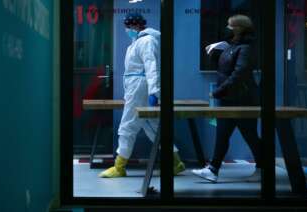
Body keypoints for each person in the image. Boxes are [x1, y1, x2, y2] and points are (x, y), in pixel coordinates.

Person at [99, 13, 185, 178]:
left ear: (135, 25)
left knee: (127, 125)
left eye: (128, 26)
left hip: (140, 87)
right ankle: (176, 162)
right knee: (152, 127)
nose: (127, 30)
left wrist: (154, 91)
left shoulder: (146, 41)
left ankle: (119, 166)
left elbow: (151, 67)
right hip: (137, 86)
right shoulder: (137, 42)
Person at [192, 14, 262, 183]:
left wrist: (219, 91)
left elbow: (239, 74)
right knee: (224, 134)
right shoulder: (232, 46)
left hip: (241, 99)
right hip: (229, 97)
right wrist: (216, 52)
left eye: (231, 26)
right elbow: (225, 68)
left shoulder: (245, 48)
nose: (228, 28)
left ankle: (260, 167)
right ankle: (213, 169)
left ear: (239, 29)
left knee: (249, 135)